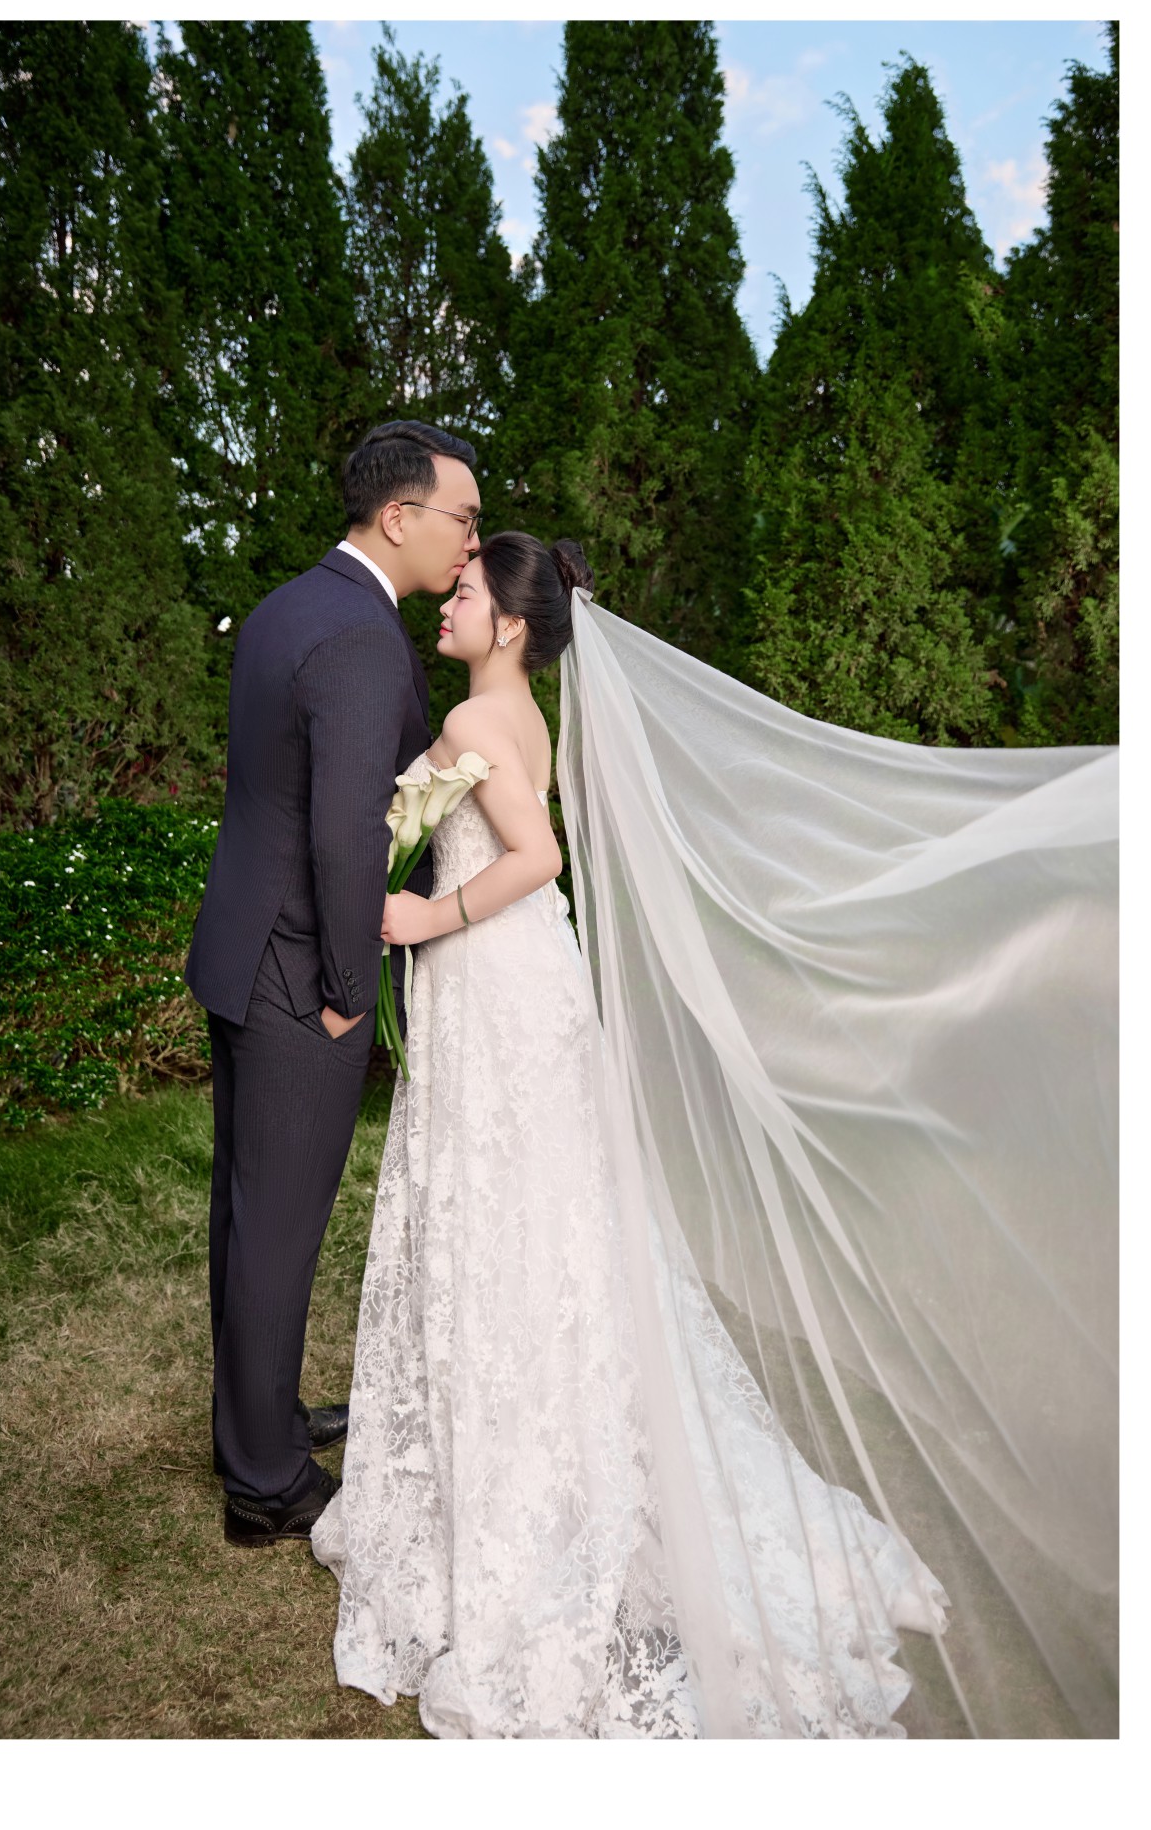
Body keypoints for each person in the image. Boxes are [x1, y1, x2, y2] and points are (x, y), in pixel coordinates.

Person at [311, 532, 960, 1738]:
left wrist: (419, 916)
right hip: (519, 986)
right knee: (553, 1226)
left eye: (464, 592)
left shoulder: (475, 722)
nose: (446, 602)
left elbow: (537, 857)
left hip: (498, 984)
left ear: (511, 623)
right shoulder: (516, 715)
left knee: (512, 1219)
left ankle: (531, 1475)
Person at [184, 419, 482, 1546]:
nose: (470, 540)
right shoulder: (361, 637)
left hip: (241, 946)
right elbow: (348, 834)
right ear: (398, 516)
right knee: (277, 1227)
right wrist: (352, 990)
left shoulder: (287, 606)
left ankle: (256, 1422)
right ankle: (265, 1485)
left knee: (245, 1213)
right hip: (298, 969)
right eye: (462, 518)